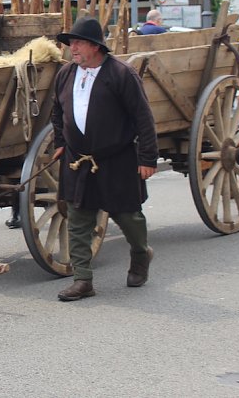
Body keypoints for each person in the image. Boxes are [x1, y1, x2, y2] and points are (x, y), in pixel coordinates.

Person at [52, 17, 158, 302]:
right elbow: (56, 112)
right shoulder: (65, 74)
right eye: (71, 43)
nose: (72, 48)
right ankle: (82, 280)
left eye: (78, 43)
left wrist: (147, 158)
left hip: (116, 158)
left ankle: (141, 253)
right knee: (78, 219)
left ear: (95, 46)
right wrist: (60, 142)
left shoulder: (121, 74)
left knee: (128, 216)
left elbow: (143, 118)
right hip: (77, 160)